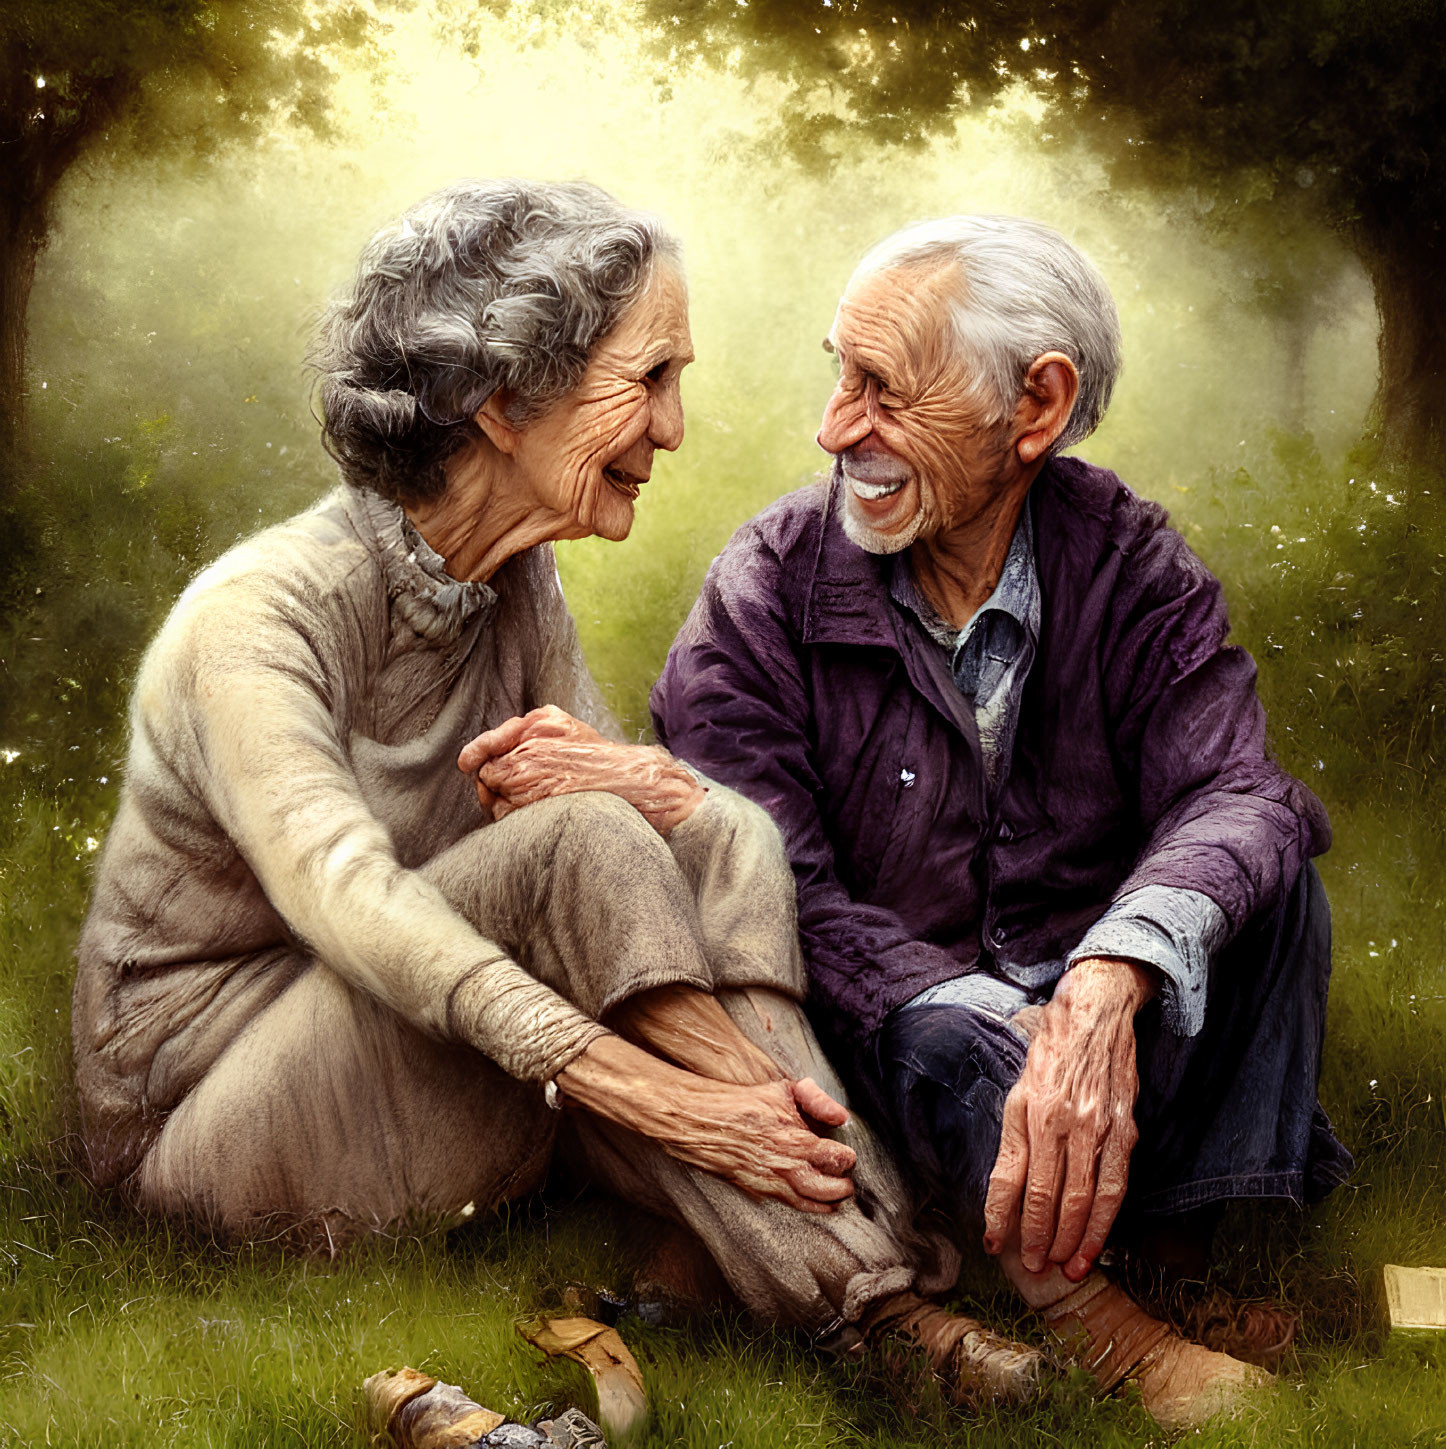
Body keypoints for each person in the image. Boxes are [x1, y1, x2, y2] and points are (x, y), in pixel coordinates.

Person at [70, 180, 1043, 1403]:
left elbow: (671, 875)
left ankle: (870, 1286)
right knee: (586, 849)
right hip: (218, 1134)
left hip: (433, 1068)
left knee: (630, 833)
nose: (677, 427)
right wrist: (678, 1105)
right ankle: (884, 1298)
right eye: (648, 381)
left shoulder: (515, 585)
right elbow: (352, 901)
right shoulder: (258, 616)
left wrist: (661, 791)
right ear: (500, 402)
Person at [651, 214, 1353, 1425]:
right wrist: (994, 1015)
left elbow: (1237, 787)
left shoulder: (1128, 559)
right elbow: (766, 881)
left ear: (1036, 407)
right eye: (839, 375)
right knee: (950, 1036)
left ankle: (1173, 1258)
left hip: (1095, 1021)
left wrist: (1115, 966)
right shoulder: (769, 580)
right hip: (895, 1032)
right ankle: (1104, 1323)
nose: (835, 430)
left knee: (1270, 888)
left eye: (881, 391)